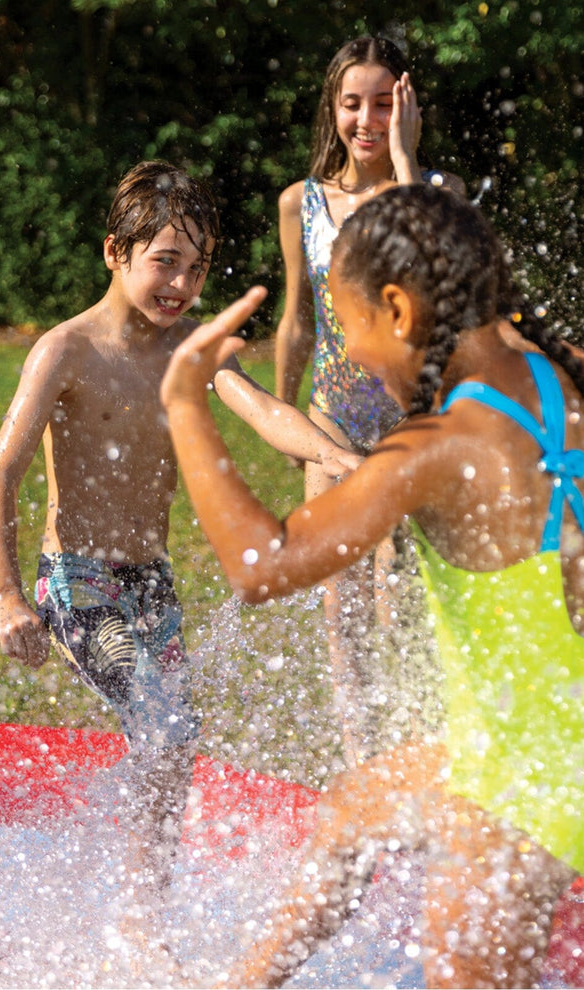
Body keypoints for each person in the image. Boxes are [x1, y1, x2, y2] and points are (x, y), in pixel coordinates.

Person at [160, 183, 583, 988]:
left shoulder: (441, 444)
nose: (348, 353)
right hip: (546, 743)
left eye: (350, 326)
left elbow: (262, 566)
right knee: (354, 811)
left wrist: (186, 406)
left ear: (397, 309)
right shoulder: (557, 376)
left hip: (520, 793)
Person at [0, 160, 359, 929]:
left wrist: (337, 456)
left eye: (196, 267)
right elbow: (2, 474)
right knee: (165, 726)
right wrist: (7, 593)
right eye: (164, 262)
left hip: (151, 582)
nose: (181, 285)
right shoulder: (67, 351)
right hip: (76, 579)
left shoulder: (192, 349)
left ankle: (141, 900)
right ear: (115, 252)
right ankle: (129, 908)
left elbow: (260, 411)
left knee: (175, 743)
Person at [273, 36, 465, 762]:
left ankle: (415, 752)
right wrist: (287, 419)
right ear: (333, 107)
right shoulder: (303, 202)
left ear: (407, 110)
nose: (366, 119)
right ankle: (362, 762)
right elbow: (297, 319)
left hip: (413, 423)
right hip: (333, 420)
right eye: (353, 103)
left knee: (399, 598)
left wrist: (409, 164)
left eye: (384, 104)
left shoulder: (436, 193)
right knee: (340, 603)